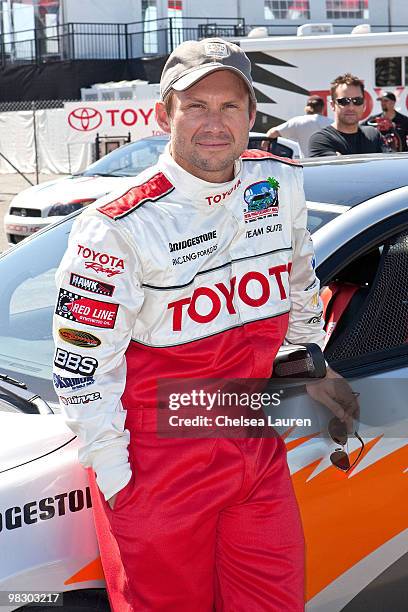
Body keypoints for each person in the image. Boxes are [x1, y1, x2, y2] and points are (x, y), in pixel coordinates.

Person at [52, 38, 359, 611]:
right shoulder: (114, 227)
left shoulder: (279, 182)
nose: (214, 124)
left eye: (229, 107)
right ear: (164, 114)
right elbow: (81, 367)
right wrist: (121, 482)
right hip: (157, 461)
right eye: (195, 106)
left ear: (252, 115)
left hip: (252, 440)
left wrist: (306, 362)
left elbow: (298, 279)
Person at [309, 73, 383, 157]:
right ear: (332, 105)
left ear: (364, 105)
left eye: (357, 101)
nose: (351, 107)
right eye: (344, 101)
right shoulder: (320, 140)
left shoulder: (373, 135)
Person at [266, 95, 331, 157]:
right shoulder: (331, 123)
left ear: (307, 107)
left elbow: (273, 133)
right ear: (323, 108)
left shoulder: (298, 122)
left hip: (308, 165)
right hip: (328, 165)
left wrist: (264, 144)